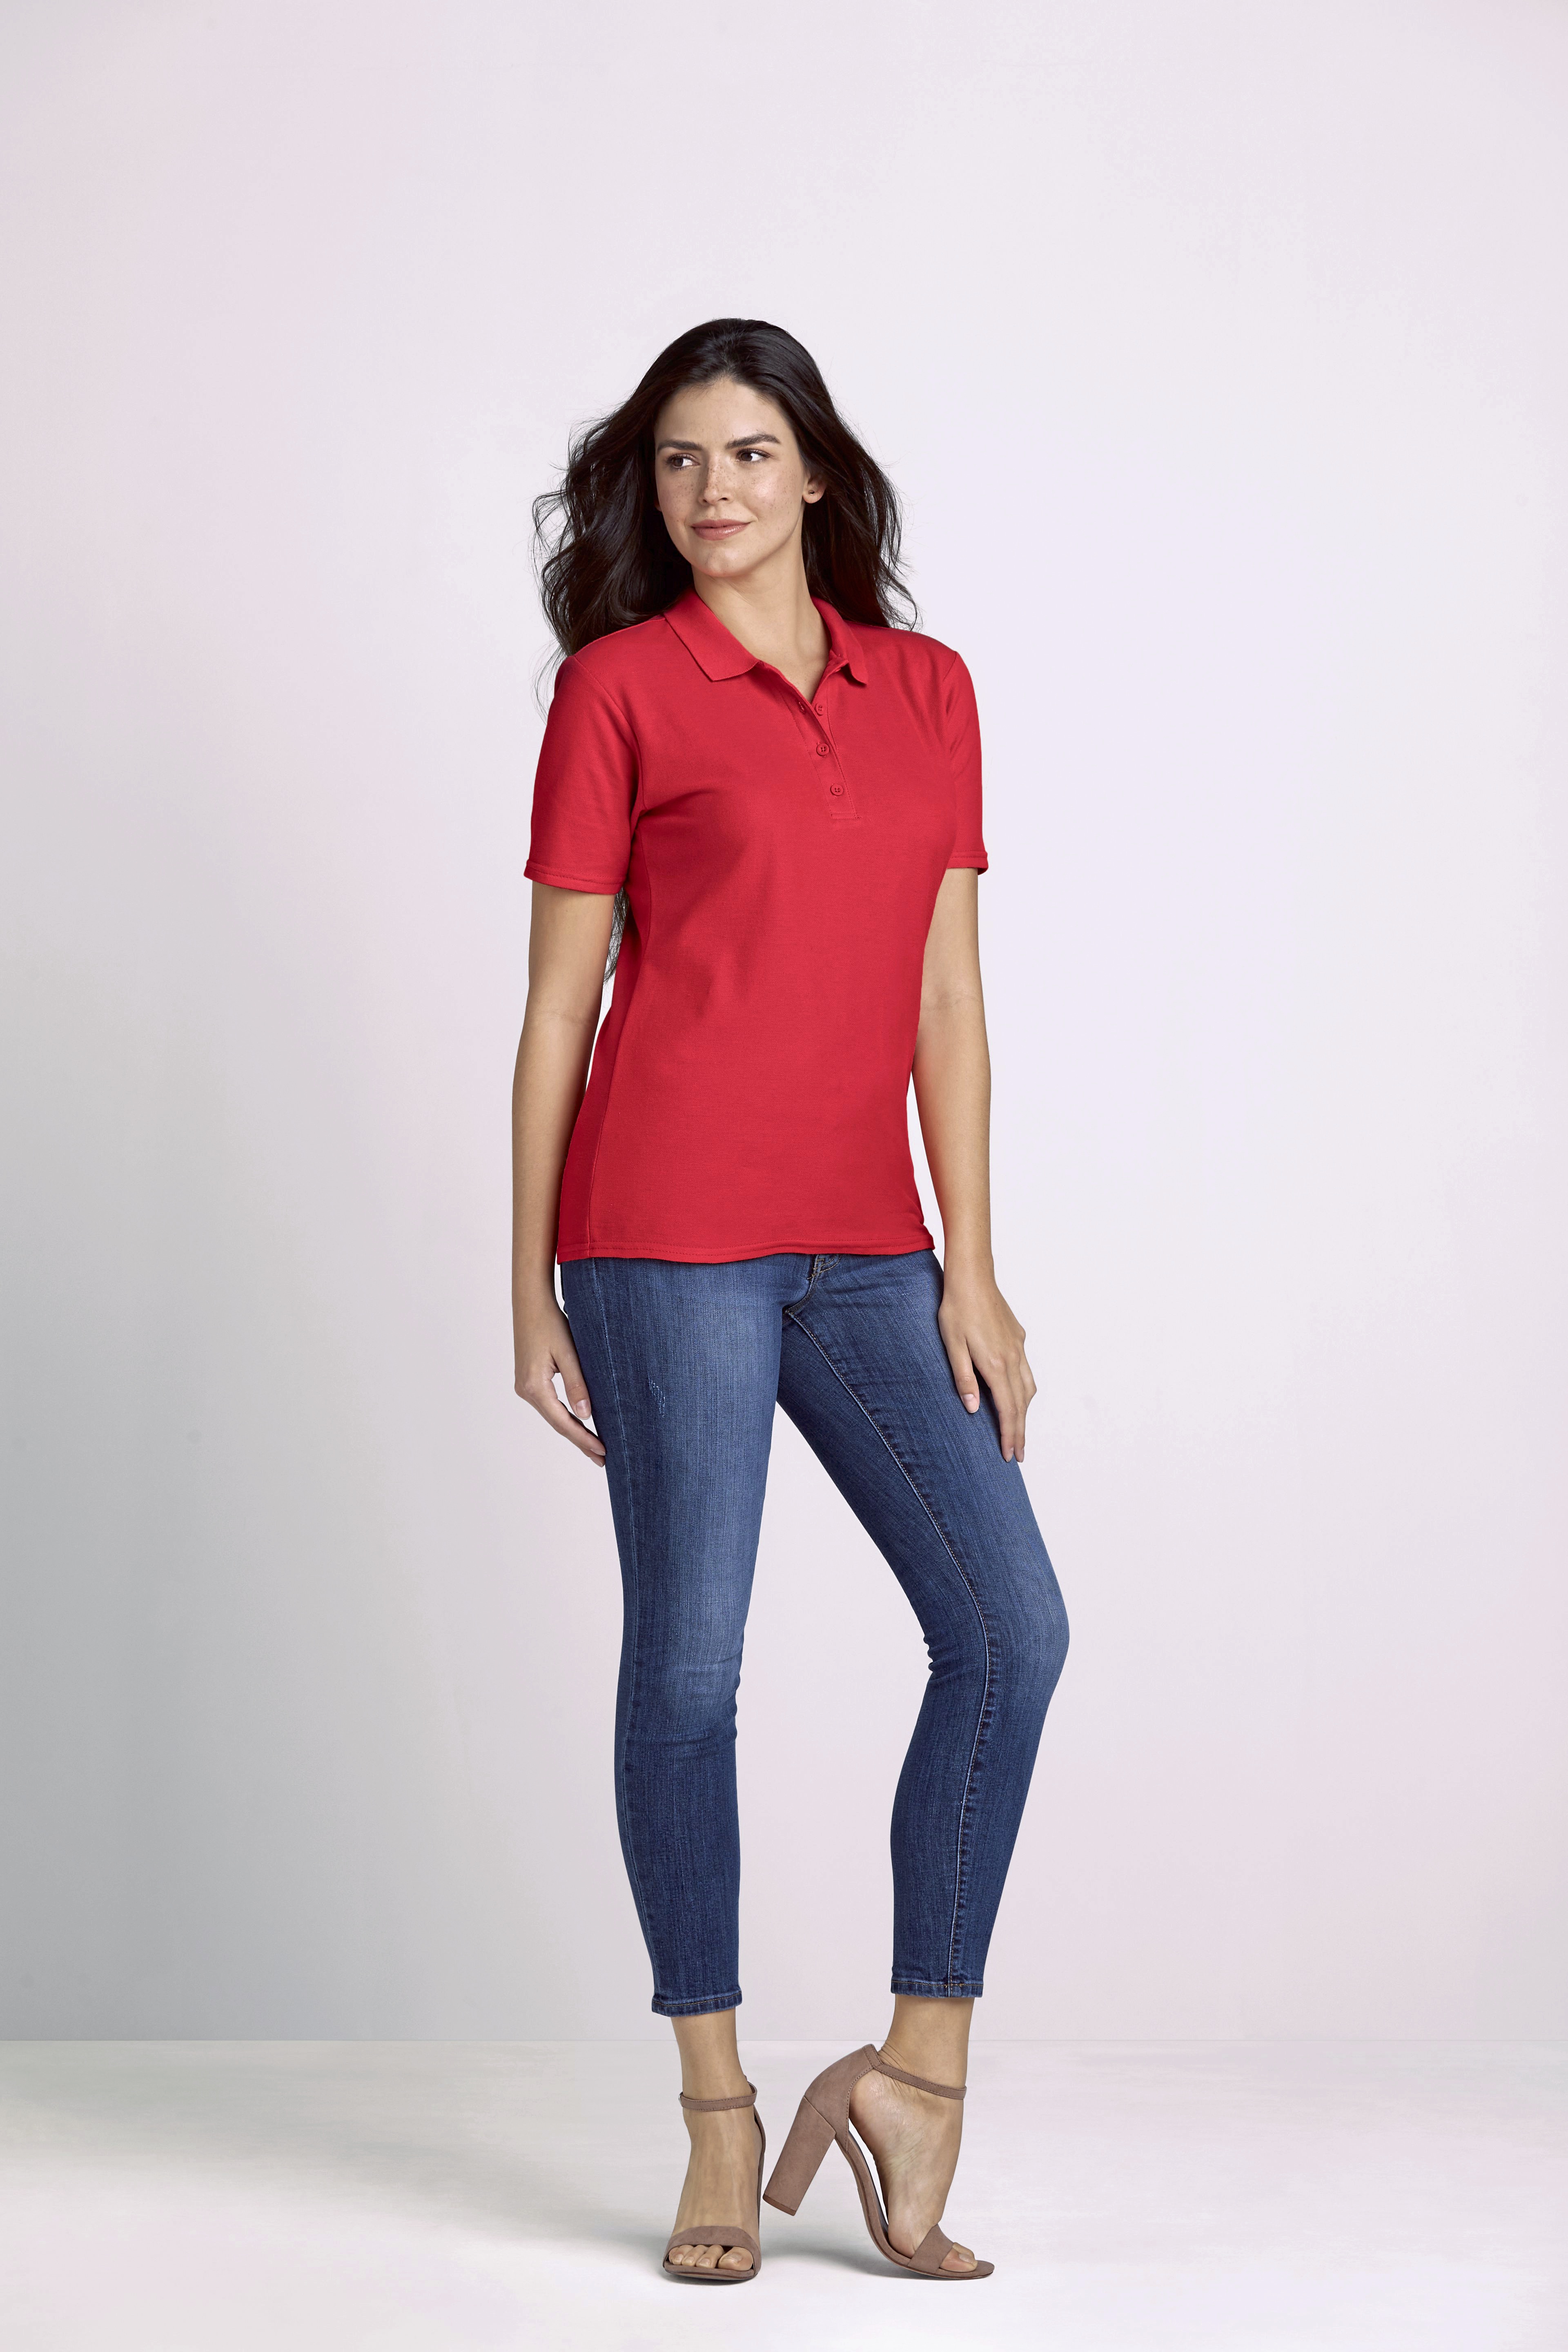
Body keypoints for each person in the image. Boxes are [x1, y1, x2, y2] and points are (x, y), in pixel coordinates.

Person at [511, 318, 1069, 2285]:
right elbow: (559, 1008)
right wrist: (527, 1279)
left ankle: (917, 2076)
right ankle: (717, 2114)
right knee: (689, 1668)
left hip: (867, 1246)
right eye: (678, 462)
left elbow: (948, 998)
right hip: (659, 1235)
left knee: (1009, 1629)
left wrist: (973, 1267)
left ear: (816, 470)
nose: (712, 491)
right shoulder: (619, 689)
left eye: (748, 453)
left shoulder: (929, 690)